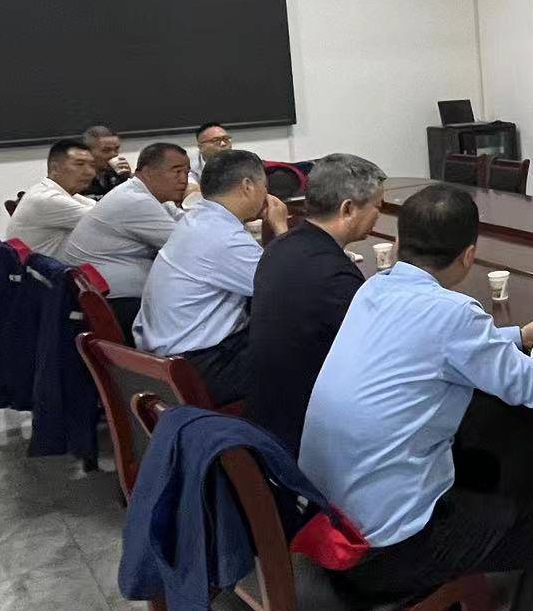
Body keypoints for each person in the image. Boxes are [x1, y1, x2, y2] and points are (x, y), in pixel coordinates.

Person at [299, 183, 533, 611]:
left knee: (482, 458)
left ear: (401, 242)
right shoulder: (454, 313)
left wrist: (517, 336)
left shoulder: (374, 288)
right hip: (381, 550)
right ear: (469, 255)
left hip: (328, 516)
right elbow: (532, 387)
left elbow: (439, 347)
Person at [246, 153, 386, 454]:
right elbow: (378, 356)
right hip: (308, 431)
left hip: (268, 414)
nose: (379, 215)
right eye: (377, 206)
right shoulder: (334, 275)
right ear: (348, 209)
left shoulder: (280, 247)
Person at [133, 149, 286, 404]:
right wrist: (281, 227)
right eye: (265, 186)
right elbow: (290, 285)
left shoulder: (200, 219)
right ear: (248, 186)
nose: (266, 194)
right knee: (306, 348)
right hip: (201, 366)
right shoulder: (222, 237)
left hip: (169, 357)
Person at [61, 142, 191, 336]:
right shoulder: (136, 201)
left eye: (187, 172)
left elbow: (188, 222)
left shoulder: (147, 195)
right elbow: (188, 247)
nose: (184, 180)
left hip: (110, 296)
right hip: (119, 305)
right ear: (148, 172)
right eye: (177, 171)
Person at [6, 138, 97, 257]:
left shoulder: (61, 192)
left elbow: (101, 210)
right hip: (42, 269)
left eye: (92, 165)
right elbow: (106, 221)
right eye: (79, 164)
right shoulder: (47, 199)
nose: (90, 172)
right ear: (55, 168)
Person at [81, 124, 131, 198]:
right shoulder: (78, 178)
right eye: (106, 150)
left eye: (116, 149)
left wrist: (128, 179)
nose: (114, 154)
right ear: (88, 152)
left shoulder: (117, 173)